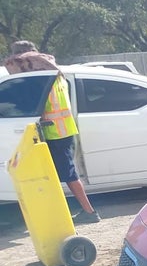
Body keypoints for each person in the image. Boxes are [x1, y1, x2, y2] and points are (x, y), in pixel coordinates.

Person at [5, 40, 100, 223]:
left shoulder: (39, 77)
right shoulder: (54, 73)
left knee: (68, 174)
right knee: (56, 173)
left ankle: (89, 212)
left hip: (55, 131)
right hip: (63, 129)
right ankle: (62, 211)